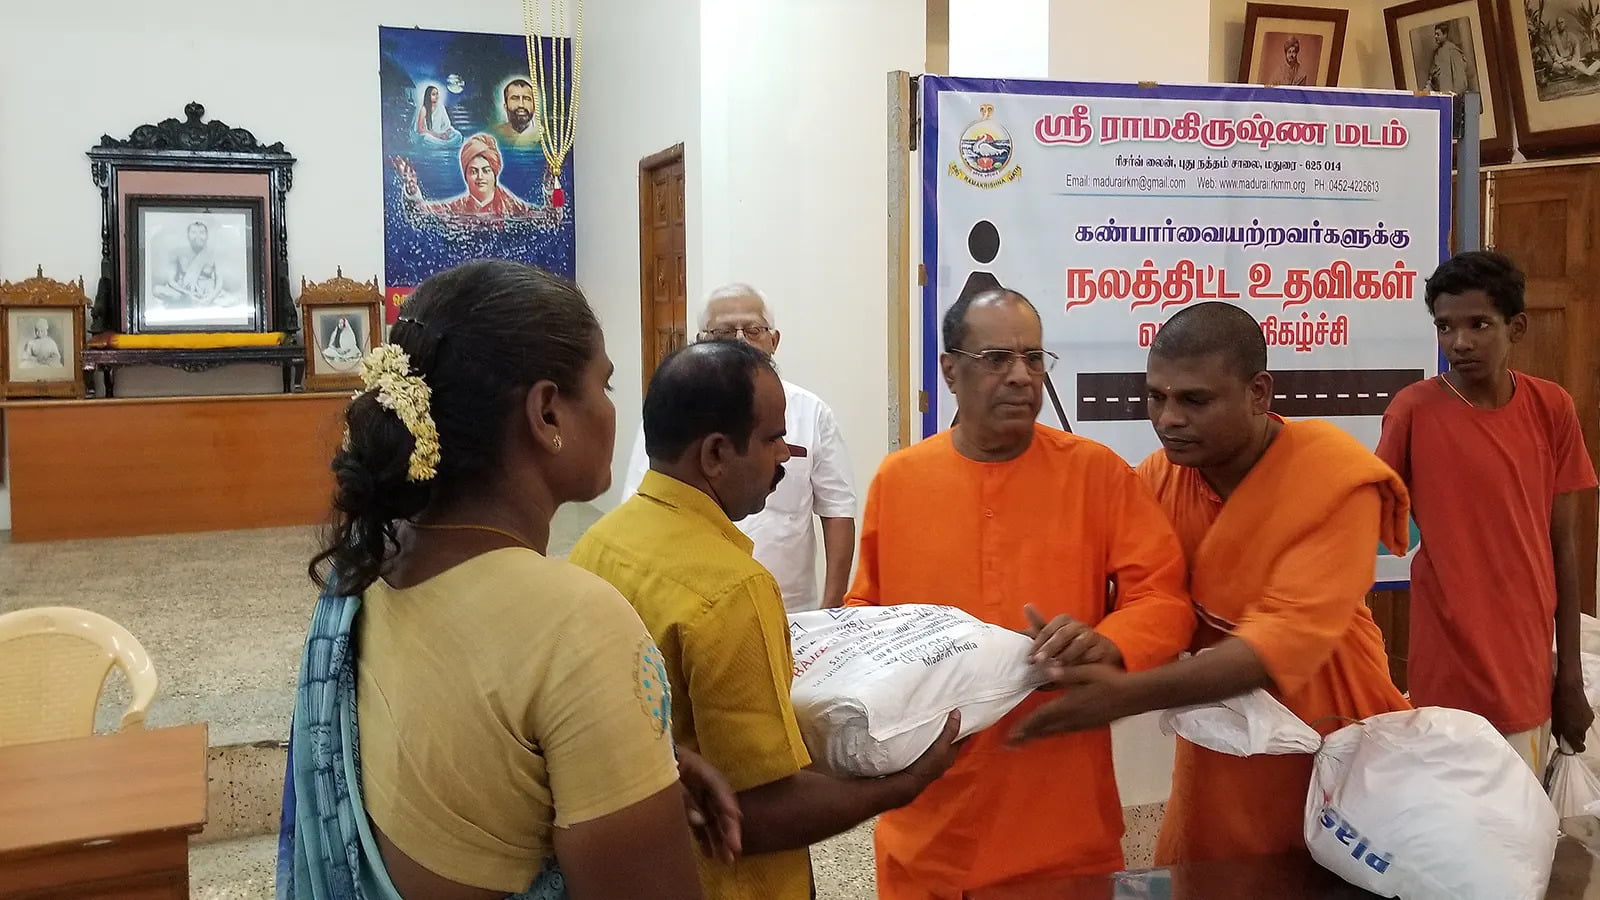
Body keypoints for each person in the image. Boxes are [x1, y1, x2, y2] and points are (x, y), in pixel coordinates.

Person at [278, 260, 738, 900]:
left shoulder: (374, 560)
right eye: (604, 384)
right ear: (547, 413)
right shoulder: (577, 626)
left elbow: (465, 747)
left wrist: (636, 752)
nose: (613, 409)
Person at [1013, 301, 1412, 866]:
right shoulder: (1159, 479)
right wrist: (1097, 641)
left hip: (1338, 746)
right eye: (1156, 397)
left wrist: (1126, 694)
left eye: (1194, 400)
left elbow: (1280, 643)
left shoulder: (1335, 479)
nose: (1168, 418)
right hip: (1220, 751)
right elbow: (1143, 600)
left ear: (1258, 393)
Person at [572, 340, 960, 899]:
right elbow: (757, 813)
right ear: (715, 454)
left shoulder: (599, 543)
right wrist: (901, 786)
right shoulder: (732, 590)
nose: (786, 455)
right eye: (773, 438)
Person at [844, 288, 1196, 898]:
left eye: (1033, 359)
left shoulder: (1095, 472)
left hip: (1060, 817)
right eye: (996, 359)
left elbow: (1163, 598)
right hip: (927, 816)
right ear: (950, 370)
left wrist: (1108, 643)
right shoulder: (899, 480)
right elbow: (866, 615)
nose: (1020, 376)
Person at [1376, 251, 1598, 771]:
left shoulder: (1552, 407)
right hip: (1447, 656)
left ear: (1515, 327)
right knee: (1449, 801)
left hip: (1525, 657)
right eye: (1445, 326)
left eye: (1479, 324)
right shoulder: (1412, 410)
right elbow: (1367, 513)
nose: (1460, 342)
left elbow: (1562, 546)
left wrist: (1568, 677)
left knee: (1521, 805)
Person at [622, 284, 857, 611]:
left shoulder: (812, 412)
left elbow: (838, 508)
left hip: (790, 609)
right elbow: (639, 503)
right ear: (701, 341)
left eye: (753, 330)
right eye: (723, 332)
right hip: (692, 605)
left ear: (774, 341)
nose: (740, 342)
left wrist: (831, 606)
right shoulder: (671, 411)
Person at [396, 133, 534, 221]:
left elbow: (547, 217)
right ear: (466, 176)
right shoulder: (456, 208)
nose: (480, 177)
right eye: (473, 171)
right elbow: (417, 214)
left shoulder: (513, 207)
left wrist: (549, 187)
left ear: (494, 173)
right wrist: (411, 189)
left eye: (486, 171)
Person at [151, 221, 222, 307]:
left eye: (202, 233)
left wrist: (209, 298)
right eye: (193, 232)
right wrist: (188, 294)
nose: (198, 236)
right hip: (184, 292)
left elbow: (219, 284)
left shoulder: (214, 254)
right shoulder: (178, 253)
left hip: (206, 293)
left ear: (207, 236)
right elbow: (171, 281)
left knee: (230, 298)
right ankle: (189, 301)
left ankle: (194, 302)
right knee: (157, 289)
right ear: (188, 235)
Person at [492, 78, 545, 148]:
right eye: (515, 98)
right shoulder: (495, 134)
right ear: (505, 106)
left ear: (534, 106)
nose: (521, 105)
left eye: (526, 98)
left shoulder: (544, 136)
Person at [1428, 23, 1472, 95]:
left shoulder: (1453, 51)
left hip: (1452, 95)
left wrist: (1456, 94)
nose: (1435, 37)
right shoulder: (1436, 53)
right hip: (1440, 95)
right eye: (1435, 34)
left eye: (1438, 34)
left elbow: (1460, 76)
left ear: (1445, 34)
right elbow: (1433, 76)